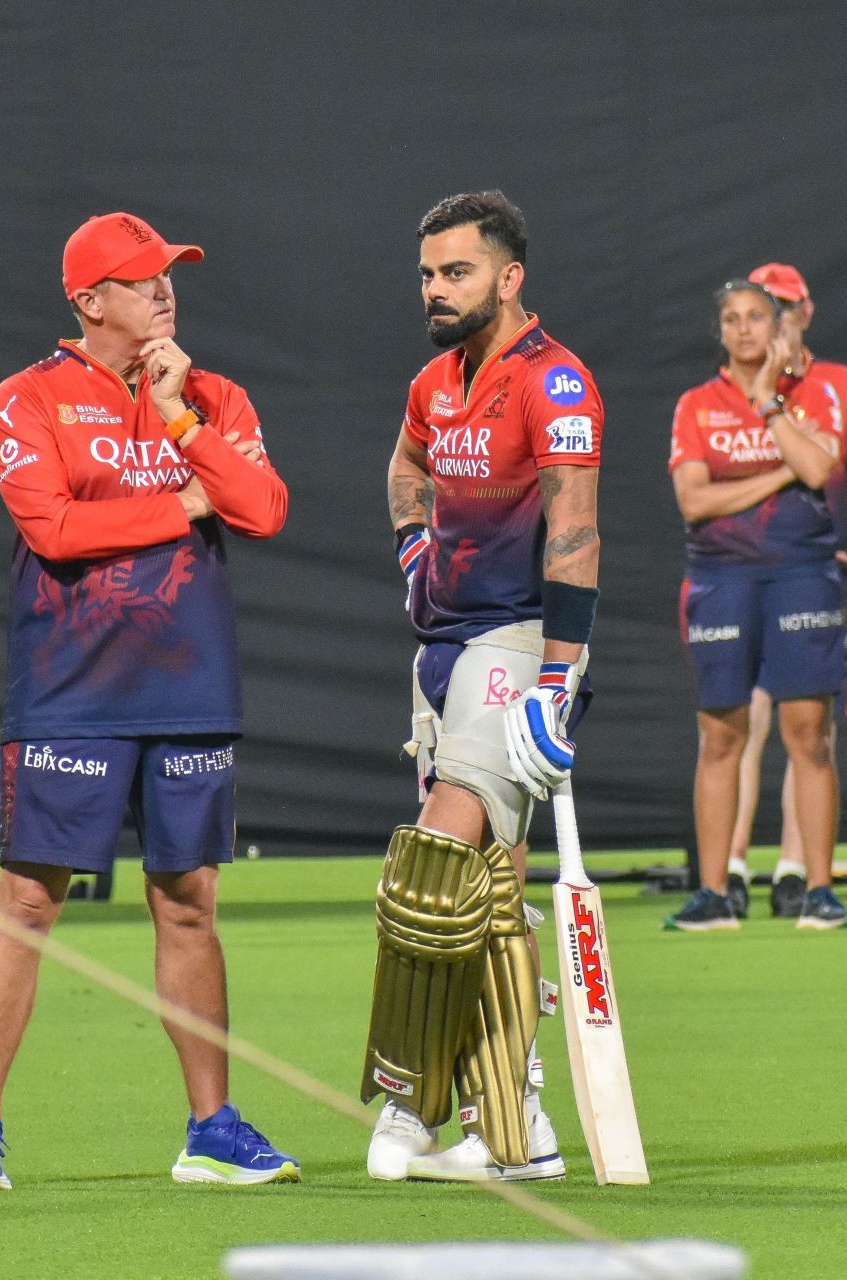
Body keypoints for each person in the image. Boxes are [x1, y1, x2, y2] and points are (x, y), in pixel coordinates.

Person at [0, 212, 299, 1191]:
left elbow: (263, 507)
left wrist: (184, 423)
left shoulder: (212, 394)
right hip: (71, 691)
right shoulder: (29, 397)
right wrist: (182, 503)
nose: (164, 293)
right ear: (89, 300)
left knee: (188, 902)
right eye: (142, 280)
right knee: (27, 899)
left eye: (169, 277)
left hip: (192, 687)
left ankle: (212, 1128)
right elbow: (53, 529)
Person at [362, 190, 602, 1183]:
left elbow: (578, 530)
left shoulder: (555, 383)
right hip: (440, 649)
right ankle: (513, 1126)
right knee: (483, 888)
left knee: (430, 866)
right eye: (426, 272)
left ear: (508, 277)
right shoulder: (435, 383)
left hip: (517, 641)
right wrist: (414, 544)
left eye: (454, 271)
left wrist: (558, 680)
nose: (434, 287)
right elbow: (405, 462)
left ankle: (412, 1099)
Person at [665, 277, 847, 932]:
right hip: (721, 578)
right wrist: (784, 467)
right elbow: (695, 501)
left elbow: (825, 471)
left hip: (803, 575)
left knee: (809, 735)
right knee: (721, 735)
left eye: (756, 318)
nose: (743, 330)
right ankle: (712, 893)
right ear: (721, 332)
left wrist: (767, 407)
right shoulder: (696, 405)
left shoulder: (812, 395)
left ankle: (818, 890)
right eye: (731, 319)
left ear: (779, 326)